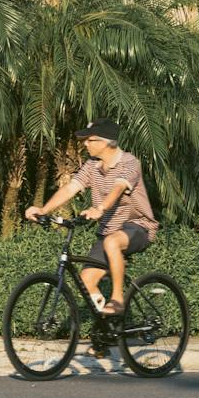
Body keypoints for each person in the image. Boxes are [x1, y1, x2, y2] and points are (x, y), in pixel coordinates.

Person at [24, 119, 156, 317]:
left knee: (112, 242)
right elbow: (71, 187)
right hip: (108, 232)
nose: (85, 143)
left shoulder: (129, 163)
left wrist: (100, 208)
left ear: (106, 142)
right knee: (86, 282)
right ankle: (106, 333)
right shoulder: (92, 165)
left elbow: (118, 188)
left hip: (137, 225)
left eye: (89, 139)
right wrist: (44, 210)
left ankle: (118, 298)